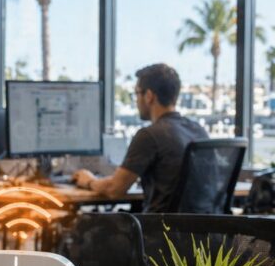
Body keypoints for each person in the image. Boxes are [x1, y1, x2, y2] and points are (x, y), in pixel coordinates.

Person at [72, 63, 207, 212]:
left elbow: (114, 189)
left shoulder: (149, 135)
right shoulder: (199, 131)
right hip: (200, 232)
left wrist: (89, 181)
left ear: (149, 96)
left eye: (136, 93)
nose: (136, 100)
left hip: (160, 231)